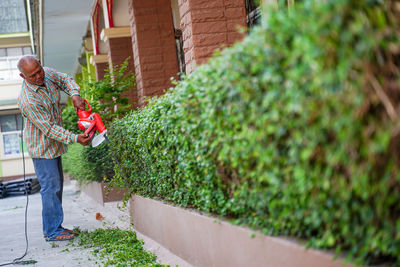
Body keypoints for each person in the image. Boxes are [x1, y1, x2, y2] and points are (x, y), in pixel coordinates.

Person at [17, 55, 92, 242]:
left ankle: (55, 226)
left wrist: (74, 95)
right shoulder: (28, 100)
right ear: (23, 77)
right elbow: (49, 129)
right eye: (32, 75)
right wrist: (75, 138)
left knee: (56, 185)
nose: (39, 76)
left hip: (54, 144)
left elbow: (65, 79)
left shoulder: (46, 74)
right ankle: (52, 231)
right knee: (51, 186)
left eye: (39, 70)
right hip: (42, 147)